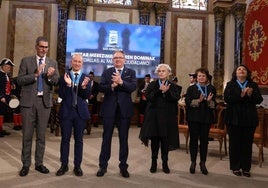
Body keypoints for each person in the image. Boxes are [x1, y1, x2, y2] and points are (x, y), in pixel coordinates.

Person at [17, 36, 60, 176]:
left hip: (44, 103)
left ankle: (39, 163)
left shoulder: (52, 62)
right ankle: (26, 164)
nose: (44, 49)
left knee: (41, 136)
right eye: (41, 46)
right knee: (27, 136)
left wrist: (49, 76)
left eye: (46, 47)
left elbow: (56, 81)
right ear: (36, 46)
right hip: (28, 103)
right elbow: (20, 80)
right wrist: (35, 74)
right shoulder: (26, 61)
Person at [96, 50, 136, 178]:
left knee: (123, 140)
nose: (118, 60)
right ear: (112, 60)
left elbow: (133, 87)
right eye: (115, 58)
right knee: (106, 138)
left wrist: (121, 82)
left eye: (120, 57)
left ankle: (123, 167)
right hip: (109, 110)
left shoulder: (131, 72)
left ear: (125, 59)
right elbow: (101, 87)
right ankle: (103, 166)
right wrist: (112, 85)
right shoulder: (107, 72)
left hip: (124, 111)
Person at [139, 64, 181, 174]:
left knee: (165, 142)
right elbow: (149, 97)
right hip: (154, 118)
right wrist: (159, 90)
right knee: (155, 142)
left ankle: (165, 164)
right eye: (159, 71)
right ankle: (153, 163)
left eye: (164, 71)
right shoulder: (152, 85)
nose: (161, 72)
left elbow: (175, 98)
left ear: (169, 73)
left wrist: (166, 92)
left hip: (167, 118)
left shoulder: (174, 86)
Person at [224, 65, 263, 177]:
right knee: (235, 144)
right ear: (235, 73)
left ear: (247, 73)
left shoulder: (253, 85)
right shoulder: (230, 84)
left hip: (249, 119)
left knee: (247, 145)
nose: (241, 70)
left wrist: (251, 95)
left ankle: (246, 168)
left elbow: (259, 100)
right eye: (239, 69)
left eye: (244, 69)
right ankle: (235, 167)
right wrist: (240, 96)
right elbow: (227, 98)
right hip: (233, 119)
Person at [56, 53, 90, 177]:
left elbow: (86, 95)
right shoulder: (64, 76)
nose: (77, 63)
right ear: (71, 62)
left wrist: (81, 86)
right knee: (65, 140)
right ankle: (64, 165)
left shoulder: (86, 78)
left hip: (80, 113)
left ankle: (77, 166)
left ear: (82, 64)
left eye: (79, 62)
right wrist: (69, 84)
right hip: (66, 112)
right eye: (75, 61)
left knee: (79, 140)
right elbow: (61, 95)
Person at [185, 67, 216, 175]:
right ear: (196, 78)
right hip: (193, 118)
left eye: (203, 76)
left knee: (204, 142)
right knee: (193, 140)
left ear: (207, 77)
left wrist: (208, 101)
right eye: (199, 76)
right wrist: (199, 100)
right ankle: (193, 162)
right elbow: (187, 102)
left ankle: (203, 163)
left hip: (206, 118)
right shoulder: (191, 88)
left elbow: (214, 104)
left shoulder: (212, 88)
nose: (201, 77)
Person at [0, 58, 15, 137]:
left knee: (2, 113)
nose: (9, 69)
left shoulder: (7, 75)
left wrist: (12, 86)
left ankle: (1, 129)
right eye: (8, 67)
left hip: (6, 97)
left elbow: (7, 85)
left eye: (10, 67)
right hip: (1, 98)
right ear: (3, 67)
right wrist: (1, 96)